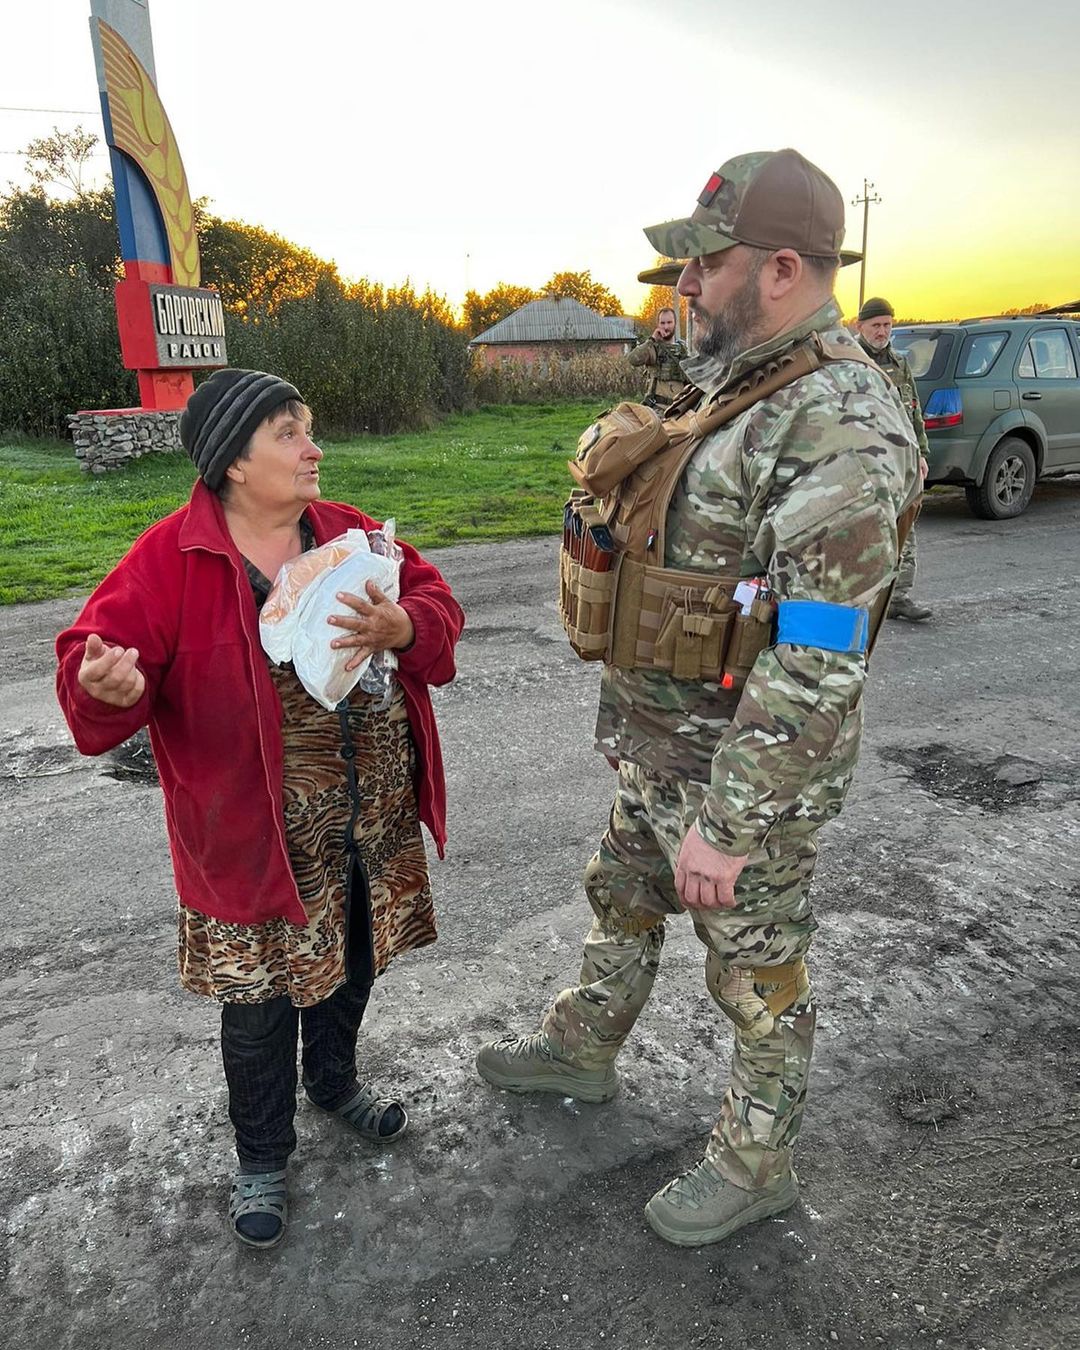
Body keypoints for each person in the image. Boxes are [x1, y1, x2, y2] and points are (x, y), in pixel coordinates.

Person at [477, 149, 920, 1247]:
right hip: (661, 746)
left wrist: (729, 827)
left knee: (754, 972)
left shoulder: (843, 425)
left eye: (700, 267)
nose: (680, 288)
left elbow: (818, 655)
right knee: (620, 892)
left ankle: (756, 1160)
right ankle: (585, 1046)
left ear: (778, 268)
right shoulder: (739, 388)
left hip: (741, 782)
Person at [55, 368, 464, 1250]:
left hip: (364, 815)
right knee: (258, 1006)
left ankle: (333, 1081)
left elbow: (437, 604)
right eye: (289, 432)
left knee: (353, 958)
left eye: (309, 428)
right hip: (252, 841)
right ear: (233, 461)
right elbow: (95, 667)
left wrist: (407, 627)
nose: (313, 447)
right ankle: (263, 1154)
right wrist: (102, 686)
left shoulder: (350, 534)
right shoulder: (172, 560)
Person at [855, 296, 932, 622]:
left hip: (901, 462)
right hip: (863, 464)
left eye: (887, 325)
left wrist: (921, 453)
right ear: (860, 327)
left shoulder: (900, 365)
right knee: (863, 532)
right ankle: (861, 599)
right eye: (876, 325)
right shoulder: (851, 362)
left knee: (905, 527)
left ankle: (899, 596)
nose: (882, 331)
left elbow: (913, 413)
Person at [628, 305, 689, 407]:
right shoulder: (652, 348)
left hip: (680, 408)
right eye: (662, 323)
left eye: (669, 322)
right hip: (658, 408)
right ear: (658, 325)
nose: (666, 327)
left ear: (675, 323)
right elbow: (633, 359)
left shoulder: (683, 349)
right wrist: (652, 339)